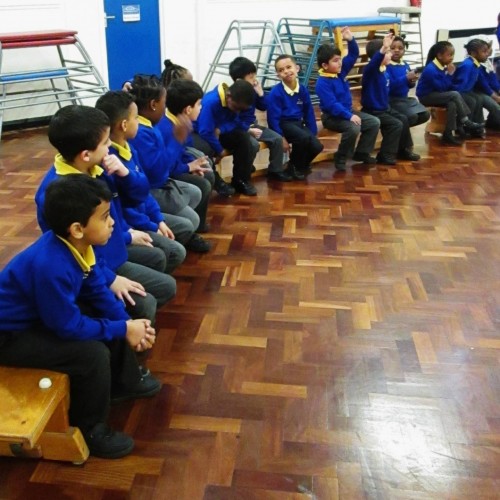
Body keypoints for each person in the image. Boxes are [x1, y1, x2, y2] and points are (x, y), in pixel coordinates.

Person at [0, 175, 161, 458]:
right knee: (91, 355)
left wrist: (127, 323)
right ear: (77, 228)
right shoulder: (50, 266)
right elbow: (68, 327)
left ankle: (124, 382)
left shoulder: (80, 246)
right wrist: (123, 330)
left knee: (107, 317)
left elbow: (97, 289)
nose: (113, 223)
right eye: (105, 217)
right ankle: (90, 428)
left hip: (42, 316)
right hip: (10, 336)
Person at [35, 105, 175, 325]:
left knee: (162, 260)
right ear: (86, 154)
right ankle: (126, 335)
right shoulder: (55, 196)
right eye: (105, 142)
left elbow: (138, 197)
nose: (111, 145)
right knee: (148, 301)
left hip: (112, 250)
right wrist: (110, 279)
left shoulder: (99, 167)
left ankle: (131, 322)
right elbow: (73, 255)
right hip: (92, 270)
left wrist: (126, 174)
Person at [95, 90, 187, 274]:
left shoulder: (129, 148)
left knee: (185, 224)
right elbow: (126, 208)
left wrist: (158, 219)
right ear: (123, 125)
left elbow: (143, 190)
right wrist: (151, 226)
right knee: (173, 251)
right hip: (130, 226)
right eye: (136, 118)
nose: (138, 121)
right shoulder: (109, 163)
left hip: (142, 216)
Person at [128, 74, 211, 251]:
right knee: (192, 219)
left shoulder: (149, 125)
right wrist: (177, 140)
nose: (166, 107)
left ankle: (179, 228)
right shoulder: (142, 133)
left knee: (196, 192)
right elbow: (158, 173)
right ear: (153, 104)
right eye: (164, 103)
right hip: (154, 187)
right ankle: (176, 234)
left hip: (161, 180)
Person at [315, 27, 380, 171]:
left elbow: (353, 55)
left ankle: (362, 153)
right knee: (353, 128)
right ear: (325, 65)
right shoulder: (322, 83)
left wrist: (350, 40)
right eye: (335, 61)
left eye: (340, 59)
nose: (340, 63)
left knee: (374, 122)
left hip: (346, 112)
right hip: (332, 117)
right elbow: (332, 105)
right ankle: (341, 156)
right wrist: (349, 116)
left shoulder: (340, 72)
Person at [228, 56, 302, 181]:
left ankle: (275, 170)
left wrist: (260, 93)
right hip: (240, 129)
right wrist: (247, 129)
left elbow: (263, 107)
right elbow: (232, 120)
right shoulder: (234, 95)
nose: (254, 80)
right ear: (240, 80)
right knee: (252, 145)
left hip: (253, 125)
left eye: (254, 76)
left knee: (277, 139)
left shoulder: (252, 90)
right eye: (251, 77)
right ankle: (245, 171)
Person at [157, 78, 216, 232]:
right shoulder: (166, 128)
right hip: (165, 176)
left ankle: (198, 223)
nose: (201, 107)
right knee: (203, 183)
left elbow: (182, 151)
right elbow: (167, 167)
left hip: (175, 166)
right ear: (188, 109)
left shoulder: (179, 122)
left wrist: (192, 164)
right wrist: (188, 167)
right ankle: (194, 230)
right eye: (199, 104)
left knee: (206, 169)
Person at [192, 79, 259, 196]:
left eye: (240, 109)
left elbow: (235, 121)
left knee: (244, 138)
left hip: (217, 130)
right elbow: (205, 131)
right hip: (198, 133)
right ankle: (216, 182)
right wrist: (220, 150)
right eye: (236, 108)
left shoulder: (236, 102)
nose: (237, 111)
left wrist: (220, 130)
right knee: (206, 148)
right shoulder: (211, 102)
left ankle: (240, 180)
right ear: (228, 96)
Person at [361, 34, 420, 165]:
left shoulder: (384, 70)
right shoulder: (371, 71)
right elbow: (374, 62)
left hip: (384, 108)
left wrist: (410, 81)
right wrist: (383, 49)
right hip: (373, 110)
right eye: (388, 52)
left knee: (403, 119)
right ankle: (385, 154)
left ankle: (404, 149)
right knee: (396, 124)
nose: (391, 54)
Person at [416, 41, 485, 145]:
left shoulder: (441, 65)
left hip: (436, 94)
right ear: (439, 55)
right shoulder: (431, 69)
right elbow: (442, 88)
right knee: (454, 94)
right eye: (449, 55)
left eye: (453, 55)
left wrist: (449, 75)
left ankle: (448, 134)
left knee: (452, 103)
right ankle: (465, 120)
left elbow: (445, 87)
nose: (452, 58)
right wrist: (450, 74)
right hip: (426, 96)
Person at [266, 54, 324, 176]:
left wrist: (313, 133)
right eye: (281, 70)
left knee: (317, 146)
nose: (286, 71)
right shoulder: (275, 93)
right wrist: (281, 137)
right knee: (303, 138)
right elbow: (272, 119)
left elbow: (308, 112)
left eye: (289, 67)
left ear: (297, 68)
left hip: (298, 123)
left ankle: (299, 165)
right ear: (278, 75)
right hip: (284, 124)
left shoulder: (302, 89)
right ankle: (294, 166)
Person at [454, 37, 500, 132]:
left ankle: (477, 125)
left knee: (477, 99)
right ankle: (465, 126)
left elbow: (490, 80)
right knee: (473, 100)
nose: (487, 54)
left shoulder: (476, 64)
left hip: (469, 92)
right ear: (473, 53)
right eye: (484, 51)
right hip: (462, 92)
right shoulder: (468, 65)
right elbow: (460, 86)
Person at [386, 35, 431, 128]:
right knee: (412, 117)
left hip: (404, 99)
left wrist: (412, 81)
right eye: (392, 48)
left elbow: (409, 85)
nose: (396, 50)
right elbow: (389, 87)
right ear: (387, 50)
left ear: (404, 50)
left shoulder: (405, 64)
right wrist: (406, 78)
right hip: (391, 100)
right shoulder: (386, 66)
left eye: (400, 48)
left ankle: (401, 129)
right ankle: (398, 132)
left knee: (425, 114)